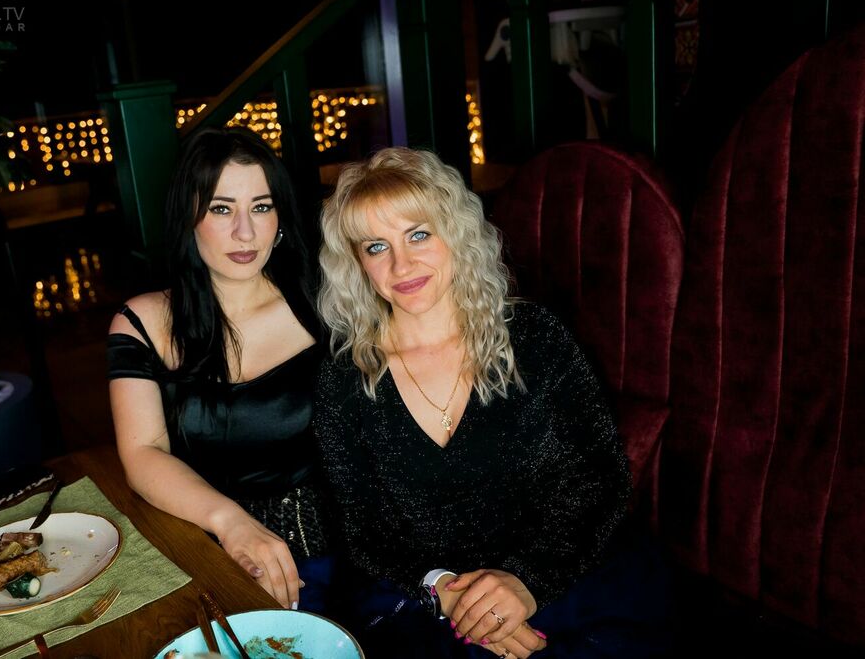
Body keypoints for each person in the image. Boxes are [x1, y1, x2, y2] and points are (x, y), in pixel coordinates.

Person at [314, 147, 671, 657]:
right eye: (376, 246)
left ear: (455, 234)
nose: (401, 263)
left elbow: (599, 481)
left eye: (418, 235)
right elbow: (362, 528)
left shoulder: (536, 338)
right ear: (356, 263)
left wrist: (526, 583)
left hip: (561, 577)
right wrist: (447, 593)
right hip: (425, 599)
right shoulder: (345, 377)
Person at [107, 127, 329, 611]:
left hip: (326, 552)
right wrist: (231, 523)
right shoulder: (142, 322)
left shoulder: (325, 302)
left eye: (261, 207)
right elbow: (143, 452)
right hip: (200, 549)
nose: (245, 233)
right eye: (222, 209)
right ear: (188, 216)